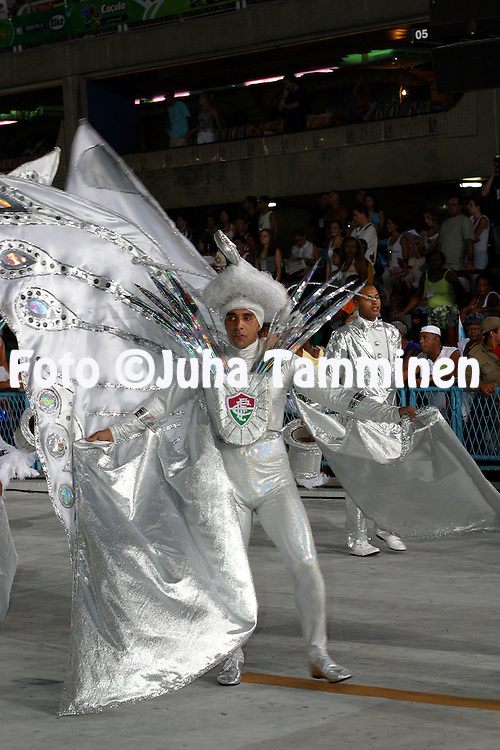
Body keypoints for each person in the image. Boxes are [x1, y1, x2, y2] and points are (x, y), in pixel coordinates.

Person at [87, 248, 416, 686]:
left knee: (306, 563)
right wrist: (114, 433)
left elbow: (337, 397)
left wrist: (391, 414)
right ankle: (230, 652)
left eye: (246, 318)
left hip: (275, 481)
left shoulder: (283, 363)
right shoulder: (205, 366)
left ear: (260, 322)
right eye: (231, 318)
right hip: (226, 484)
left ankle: (318, 653)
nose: (238, 325)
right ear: (223, 321)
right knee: (230, 572)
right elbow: (158, 406)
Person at [326, 285, 407, 556]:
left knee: (389, 473)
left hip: (388, 413)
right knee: (359, 477)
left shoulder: (392, 333)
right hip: (358, 414)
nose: (375, 301)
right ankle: (357, 537)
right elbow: (330, 377)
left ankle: (385, 525)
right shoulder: (343, 336)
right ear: (355, 302)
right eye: (368, 297)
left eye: (378, 296)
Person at [396, 249, 464, 345]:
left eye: (438, 260)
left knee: (450, 339)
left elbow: (461, 292)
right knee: (434, 338)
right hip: (433, 314)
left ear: (442, 261)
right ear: (428, 263)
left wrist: (462, 309)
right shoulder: (425, 276)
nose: (435, 262)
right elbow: (417, 296)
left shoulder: (448, 274)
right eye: (432, 260)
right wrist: (404, 311)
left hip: (449, 312)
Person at [434, 194, 475, 278]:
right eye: (449, 204)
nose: (451, 207)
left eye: (454, 204)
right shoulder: (445, 224)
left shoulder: (465, 221)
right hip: (445, 265)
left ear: (460, 207)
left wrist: (470, 261)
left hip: (459, 265)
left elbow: (469, 242)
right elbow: (440, 245)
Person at [468, 195, 490, 272]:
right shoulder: (471, 219)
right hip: (472, 252)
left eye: (471, 205)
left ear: (478, 207)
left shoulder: (483, 220)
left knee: (476, 276)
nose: (469, 207)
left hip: (480, 253)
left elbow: (473, 236)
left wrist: (471, 239)